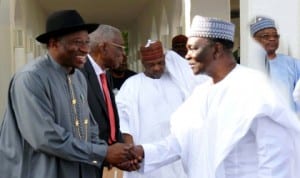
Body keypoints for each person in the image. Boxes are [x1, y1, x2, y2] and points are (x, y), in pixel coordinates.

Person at [130, 15, 300, 178]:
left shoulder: (253, 88)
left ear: (217, 49)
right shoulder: (201, 94)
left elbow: (277, 155)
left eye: (194, 48)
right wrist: (143, 152)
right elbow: (180, 142)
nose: (187, 56)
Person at [0, 10, 139, 178]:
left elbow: (90, 128)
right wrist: (103, 153)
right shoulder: (31, 78)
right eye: (77, 42)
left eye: (87, 42)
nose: (85, 49)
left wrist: (115, 157)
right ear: (54, 43)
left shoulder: (78, 77)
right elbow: (45, 137)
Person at [116, 40, 204, 178]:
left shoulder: (178, 82)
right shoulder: (132, 85)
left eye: (160, 63)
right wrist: (130, 152)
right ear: (143, 64)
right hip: (146, 155)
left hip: (176, 155)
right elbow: (123, 120)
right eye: (151, 64)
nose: (157, 68)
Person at [80, 24, 136, 177]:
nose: (123, 54)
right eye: (119, 48)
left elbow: (110, 118)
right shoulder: (80, 74)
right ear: (103, 47)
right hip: (86, 163)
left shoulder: (105, 75)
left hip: (102, 163)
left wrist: (122, 151)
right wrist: (104, 153)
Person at [250, 16, 300, 112]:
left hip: (288, 122)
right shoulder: (248, 67)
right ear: (255, 39)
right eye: (266, 36)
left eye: (275, 36)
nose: (272, 39)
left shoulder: (292, 64)